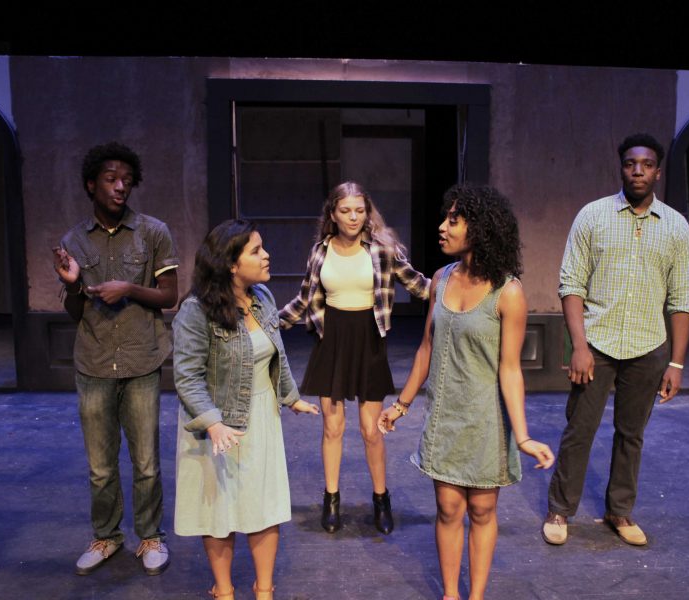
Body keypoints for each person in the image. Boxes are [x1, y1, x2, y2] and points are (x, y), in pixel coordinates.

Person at [379, 184, 554, 600]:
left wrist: (523, 435)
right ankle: (450, 595)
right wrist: (401, 404)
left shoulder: (507, 293)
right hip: (445, 416)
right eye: (445, 219)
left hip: (486, 420)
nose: (442, 228)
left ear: (480, 229)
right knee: (448, 509)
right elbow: (426, 347)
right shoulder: (440, 279)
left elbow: (511, 370)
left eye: (453, 221)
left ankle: (475, 595)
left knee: (482, 509)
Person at [542, 133, 689, 547]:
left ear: (658, 172)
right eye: (631, 164)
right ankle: (560, 508)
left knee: (632, 434)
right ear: (621, 168)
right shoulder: (592, 216)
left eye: (646, 164)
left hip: (648, 347)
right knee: (580, 429)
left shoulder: (677, 227)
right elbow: (571, 284)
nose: (638, 171)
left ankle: (619, 510)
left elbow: (682, 301)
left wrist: (676, 363)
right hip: (598, 343)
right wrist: (579, 346)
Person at [173, 219, 319, 599]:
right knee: (218, 511)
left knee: (265, 505)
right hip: (217, 423)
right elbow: (186, 377)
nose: (266, 255)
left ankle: (264, 589)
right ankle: (223, 590)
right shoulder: (196, 311)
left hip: (262, 418)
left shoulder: (263, 298)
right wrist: (214, 424)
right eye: (256, 250)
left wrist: (291, 397)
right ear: (230, 264)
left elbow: (276, 356)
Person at [53, 142, 176, 576]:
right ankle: (106, 536)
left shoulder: (153, 232)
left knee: (146, 462)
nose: (120, 186)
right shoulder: (73, 240)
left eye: (126, 179)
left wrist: (128, 288)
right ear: (92, 184)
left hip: (142, 358)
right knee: (101, 466)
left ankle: (150, 537)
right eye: (110, 178)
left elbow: (170, 295)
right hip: (94, 362)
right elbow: (73, 311)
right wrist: (71, 285)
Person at [279, 181, 430, 535]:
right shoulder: (320, 251)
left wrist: (462, 290)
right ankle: (331, 500)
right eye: (345, 211)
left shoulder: (381, 250)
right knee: (332, 427)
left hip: (368, 341)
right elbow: (302, 301)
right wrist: (265, 320)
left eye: (359, 211)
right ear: (332, 213)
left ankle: (381, 499)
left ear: (367, 213)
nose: (353, 217)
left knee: (371, 430)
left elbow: (420, 285)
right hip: (331, 342)